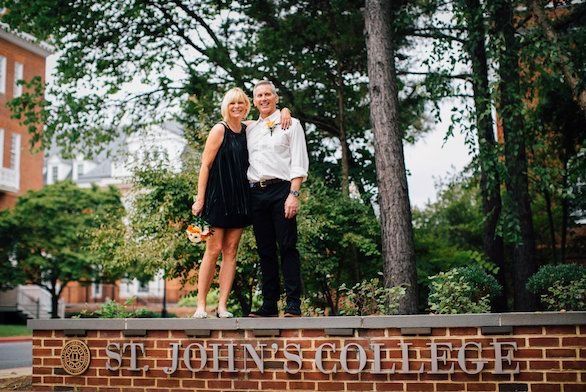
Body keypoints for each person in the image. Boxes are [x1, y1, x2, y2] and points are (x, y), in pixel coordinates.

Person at [191, 87, 291, 318]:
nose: (237, 106)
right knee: (212, 249)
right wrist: (200, 199)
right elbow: (205, 165)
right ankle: (200, 306)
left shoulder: (249, 128)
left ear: (247, 106)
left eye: (241, 103)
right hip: (218, 198)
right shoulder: (219, 129)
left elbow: (272, 116)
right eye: (232, 103)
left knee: (231, 252)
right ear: (226, 106)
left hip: (240, 199)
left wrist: (285, 109)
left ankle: (223, 306)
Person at [247, 80, 309, 318]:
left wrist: (294, 194)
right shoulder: (250, 129)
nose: (263, 98)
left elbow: (298, 161)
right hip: (256, 193)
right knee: (265, 251)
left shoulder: (290, 124)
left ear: (275, 98)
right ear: (254, 101)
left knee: (287, 246)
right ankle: (269, 305)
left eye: (267, 95)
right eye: (259, 95)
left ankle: (293, 304)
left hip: (281, 191)